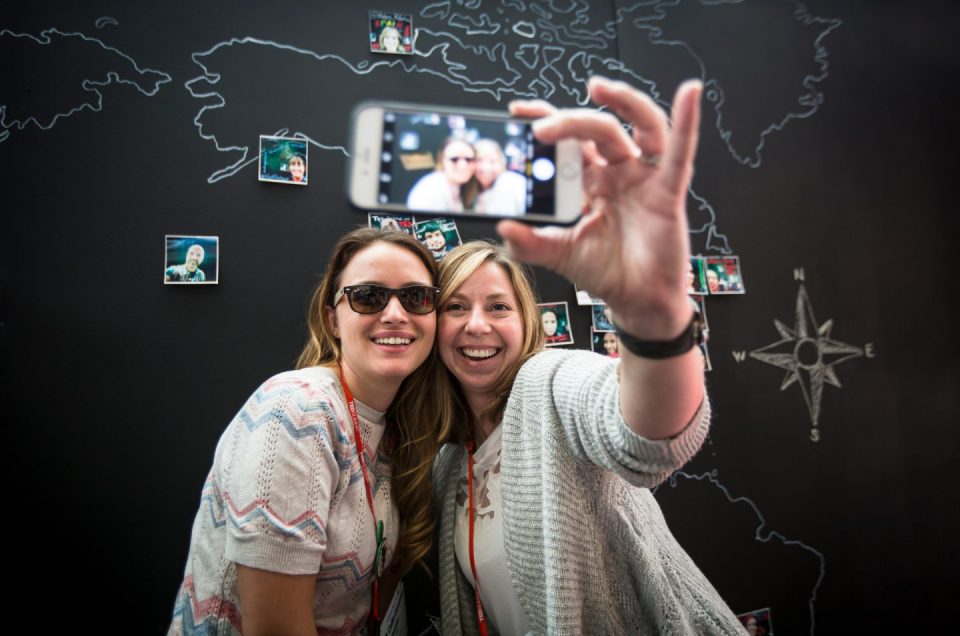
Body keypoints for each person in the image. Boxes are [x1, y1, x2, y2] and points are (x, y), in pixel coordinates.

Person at [431, 76, 744, 633]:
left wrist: (655, 321)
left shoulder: (550, 381)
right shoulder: (448, 465)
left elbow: (647, 441)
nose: (477, 324)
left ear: (527, 323)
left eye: (498, 306)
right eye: (456, 307)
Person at [168, 228, 448, 635]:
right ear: (333, 320)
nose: (394, 314)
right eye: (368, 296)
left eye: (416, 297)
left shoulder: (392, 427)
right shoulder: (298, 410)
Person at [406, 137, 480, 213]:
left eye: (468, 159)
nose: (462, 165)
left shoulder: (456, 188)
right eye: (454, 159)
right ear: (442, 161)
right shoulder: (432, 188)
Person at [473, 138, 526, 215]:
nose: (486, 167)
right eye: (480, 160)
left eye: (492, 161)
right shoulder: (467, 187)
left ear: (501, 163)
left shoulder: (514, 183)